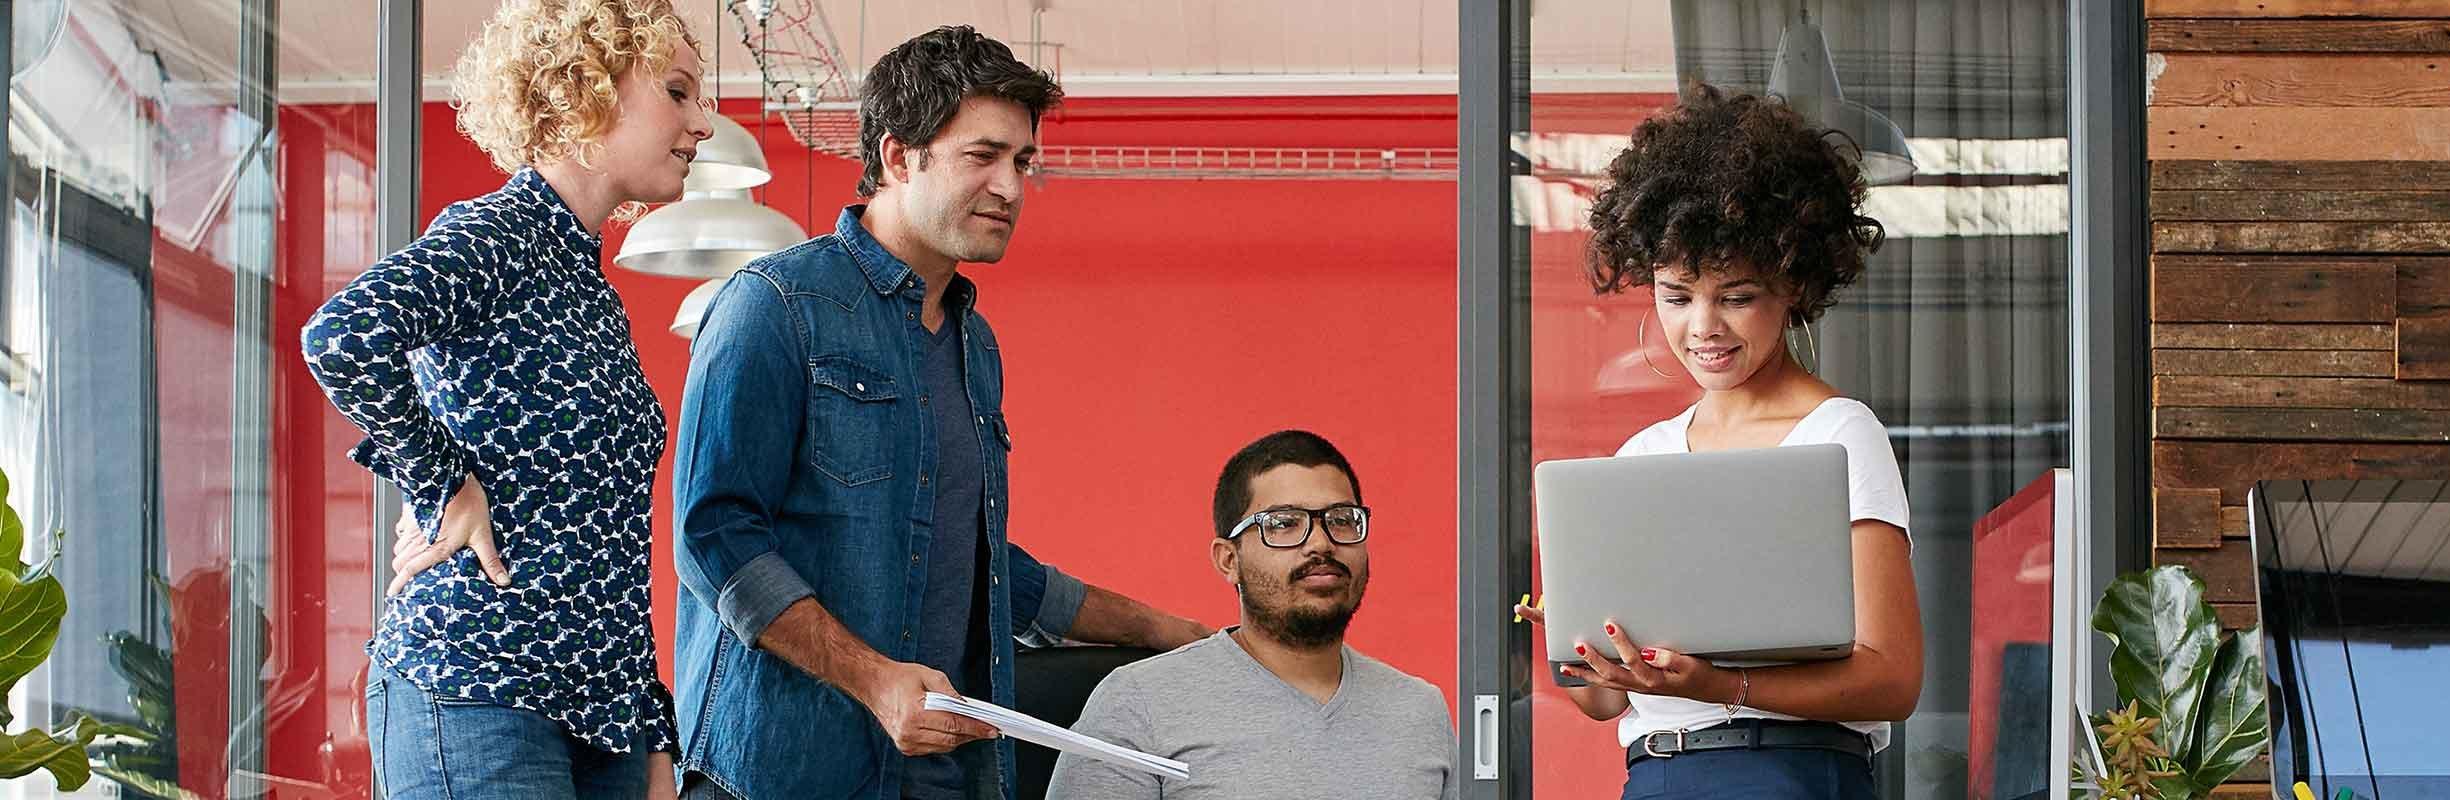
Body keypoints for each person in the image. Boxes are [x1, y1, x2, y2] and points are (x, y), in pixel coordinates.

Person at [669, 25, 1213, 800]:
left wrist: (1164, 630)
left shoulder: (974, 345)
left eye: (1022, 161)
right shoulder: (775, 307)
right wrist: (874, 680)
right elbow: (715, 539)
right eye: (982, 156)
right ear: (898, 157)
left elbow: (981, 565)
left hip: (942, 778)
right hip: (783, 772)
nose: (1012, 187)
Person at [301, 1, 709, 796]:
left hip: (603, 714)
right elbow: (344, 336)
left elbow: (609, 538)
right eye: (678, 91)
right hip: (475, 683)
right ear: (584, 90)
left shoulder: (589, 289)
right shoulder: (501, 233)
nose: (703, 123)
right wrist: (444, 484)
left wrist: (653, 731)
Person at [1513, 85, 1921, 800]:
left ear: (1794, 283)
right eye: (1676, 295)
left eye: (1735, 296)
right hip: (1656, 776)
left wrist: (1719, 684)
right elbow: (1606, 704)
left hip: (1789, 773)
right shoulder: (1643, 457)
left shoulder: (1838, 434)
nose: (1703, 326)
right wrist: (1573, 645)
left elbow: (1892, 678)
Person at [1045, 430, 1455, 799]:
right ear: (1228, 560)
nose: (1321, 544)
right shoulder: (1139, 703)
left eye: (1342, 520)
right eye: (1283, 524)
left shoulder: (1419, 710)